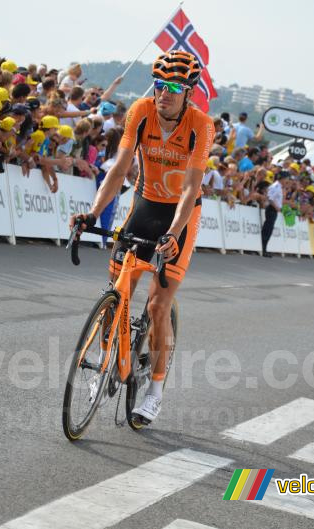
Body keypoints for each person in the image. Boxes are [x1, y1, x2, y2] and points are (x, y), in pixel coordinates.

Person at [70, 50, 214, 424]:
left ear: (189, 92)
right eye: (159, 84)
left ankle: (155, 390)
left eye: (173, 87)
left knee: (156, 307)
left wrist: (173, 233)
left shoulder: (201, 125)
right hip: (145, 203)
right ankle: (105, 365)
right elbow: (119, 169)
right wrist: (93, 213)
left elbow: (190, 188)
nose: (163, 92)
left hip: (179, 215)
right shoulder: (140, 111)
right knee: (117, 288)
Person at [261, 172, 288, 258]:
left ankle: (265, 249)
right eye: (286, 179)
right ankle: (263, 249)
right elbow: (270, 197)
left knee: (269, 229)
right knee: (267, 229)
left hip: (274, 210)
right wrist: (276, 207)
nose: (287, 181)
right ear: (282, 178)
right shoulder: (276, 186)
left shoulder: (279, 187)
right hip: (271, 209)